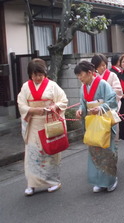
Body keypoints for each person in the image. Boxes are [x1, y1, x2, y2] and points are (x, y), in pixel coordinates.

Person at [17, 58, 68, 196]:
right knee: (33, 154)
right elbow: (21, 104)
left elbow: (63, 100)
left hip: (49, 123)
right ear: (30, 75)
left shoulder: (52, 86)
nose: (38, 78)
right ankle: (32, 184)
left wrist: (54, 106)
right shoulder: (25, 87)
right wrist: (32, 110)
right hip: (33, 123)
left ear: (44, 73)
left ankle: (53, 181)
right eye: (34, 75)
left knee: (50, 152)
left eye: (40, 75)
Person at [75, 61, 118, 193]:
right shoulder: (83, 88)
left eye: (81, 75)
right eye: (78, 76)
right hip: (92, 122)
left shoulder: (103, 84)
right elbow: (83, 103)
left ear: (89, 73)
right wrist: (80, 110)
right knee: (94, 151)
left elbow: (112, 100)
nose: (80, 78)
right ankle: (98, 181)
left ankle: (111, 179)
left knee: (106, 150)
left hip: (103, 122)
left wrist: (100, 107)